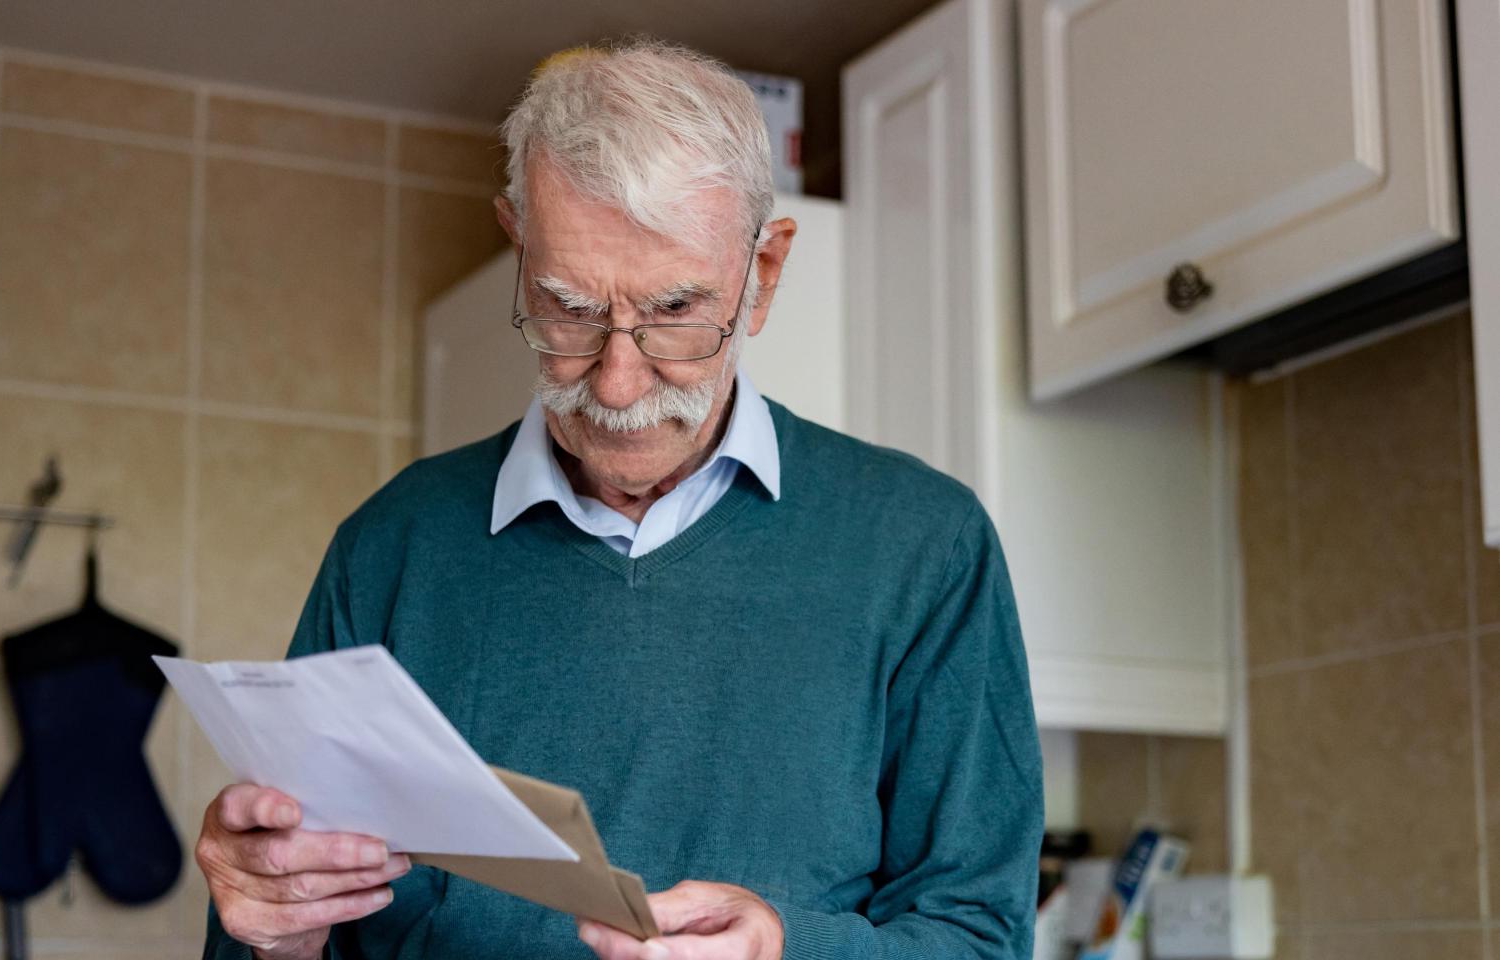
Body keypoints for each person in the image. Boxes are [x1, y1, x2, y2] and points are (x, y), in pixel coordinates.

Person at [197, 39, 1042, 960]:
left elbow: (979, 937)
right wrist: (272, 928)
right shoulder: (392, 546)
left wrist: (783, 950)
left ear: (762, 276)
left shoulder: (925, 547)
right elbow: (284, 922)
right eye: (569, 309)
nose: (619, 383)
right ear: (519, 249)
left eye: (676, 312)